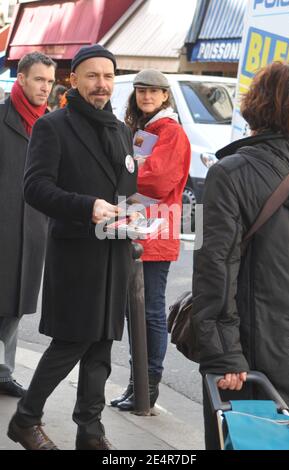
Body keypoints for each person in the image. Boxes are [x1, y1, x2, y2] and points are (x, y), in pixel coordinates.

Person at [7, 44, 137, 450]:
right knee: (71, 342)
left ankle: (90, 430)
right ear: (74, 80)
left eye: (109, 77)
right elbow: (35, 189)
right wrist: (86, 207)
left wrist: (135, 218)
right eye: (93, 76)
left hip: (115, 252)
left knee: (102, 345)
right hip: (76, 254)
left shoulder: (122, 130)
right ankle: (26, 419)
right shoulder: (54, 126)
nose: (102, 85)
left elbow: (125, 192)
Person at [191, 61, 289, 449]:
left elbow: (215, 269)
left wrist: (224, 356)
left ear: (260, 105)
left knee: (253, 442)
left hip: (256, 355)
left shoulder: (231, 173)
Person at [111, 69, 191, 411]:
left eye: (152, 92)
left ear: (164, 97)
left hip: (156, 232)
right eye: (141, 91)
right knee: (135, 312)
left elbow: (158, 181)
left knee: (151, 312)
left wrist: (124, 170)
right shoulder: (141, 130)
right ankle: (137, 386)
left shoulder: (171, 133)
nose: (145, 96)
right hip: (137, 227)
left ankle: (147, 387)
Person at [0, 52, 56, 399]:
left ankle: (4, 372)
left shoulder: (49, 124)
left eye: (49, 82)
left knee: (15, 304)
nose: (45, 88)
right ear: (20, 79)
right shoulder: (2, 117)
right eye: (39, 79)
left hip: (33, 228)